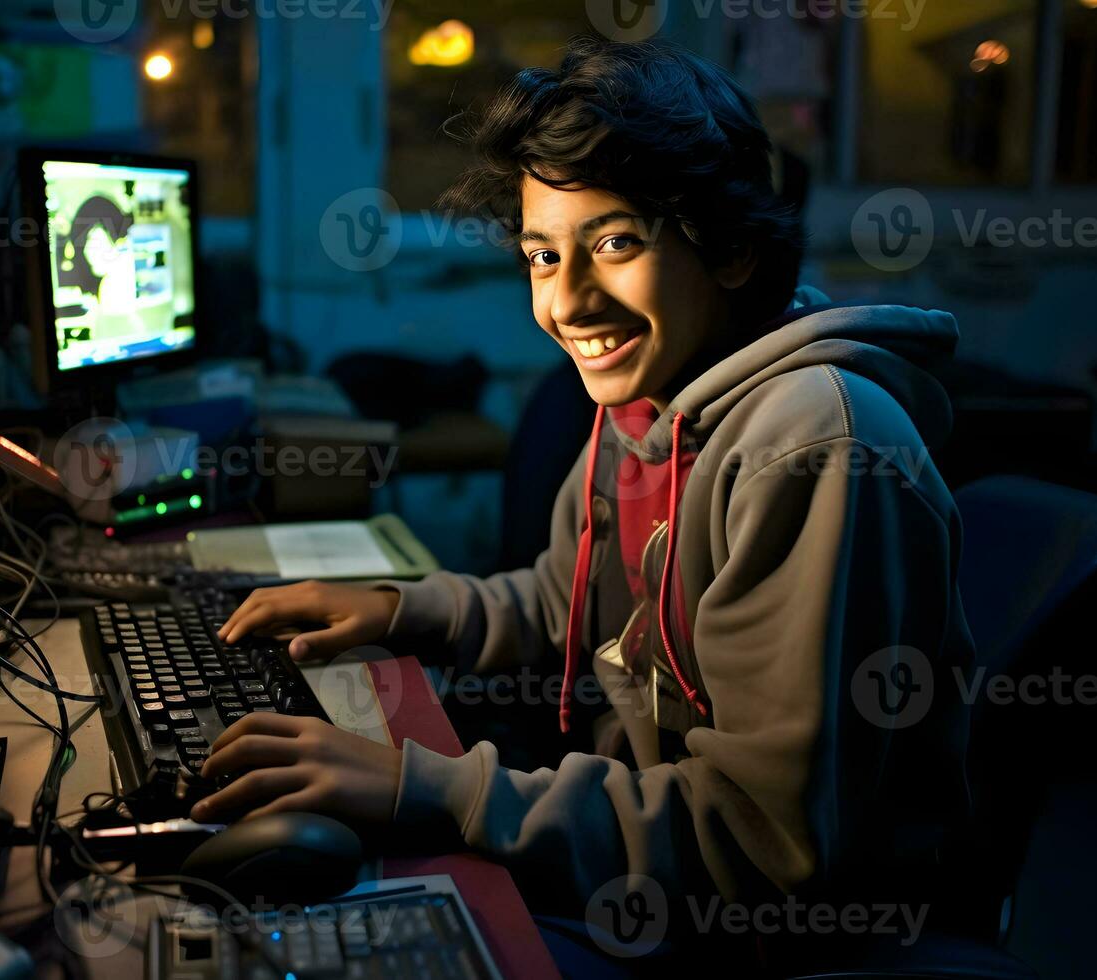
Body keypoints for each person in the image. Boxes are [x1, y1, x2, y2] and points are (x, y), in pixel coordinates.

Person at [191, 36, 974, 962]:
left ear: (727, 249)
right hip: (650, 846)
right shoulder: (650, 402)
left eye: (614, 243)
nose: (567, 303)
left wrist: (432, 789)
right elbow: (574, 602)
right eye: (540, 255)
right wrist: (406, 608)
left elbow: (764, 844)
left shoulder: (809, 449)